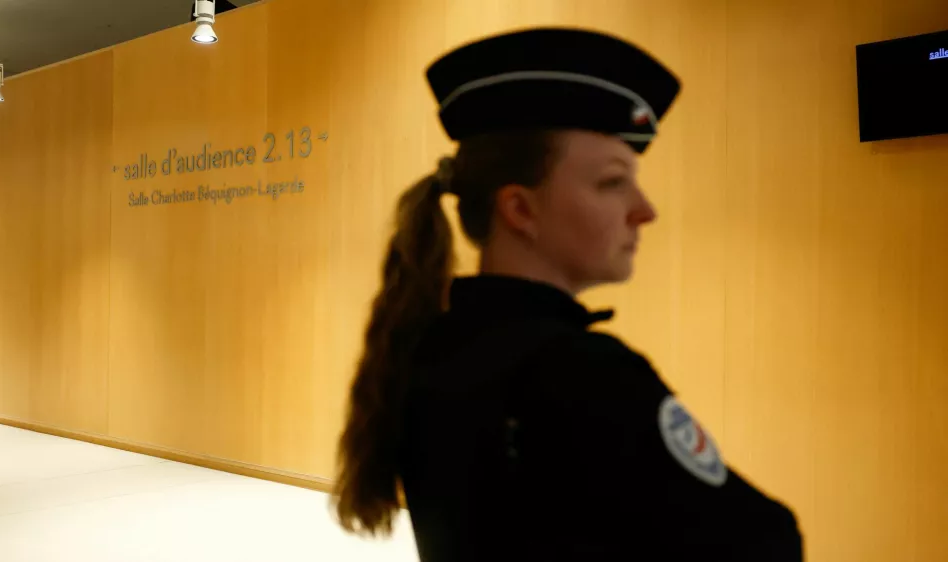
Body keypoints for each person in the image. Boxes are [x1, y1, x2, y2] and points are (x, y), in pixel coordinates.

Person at [332, 27, 804, 561]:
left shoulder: (431, 345)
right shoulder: (581, 372)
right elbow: (766, 541)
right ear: (520, 210)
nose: (644, 210)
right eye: (611, 182)